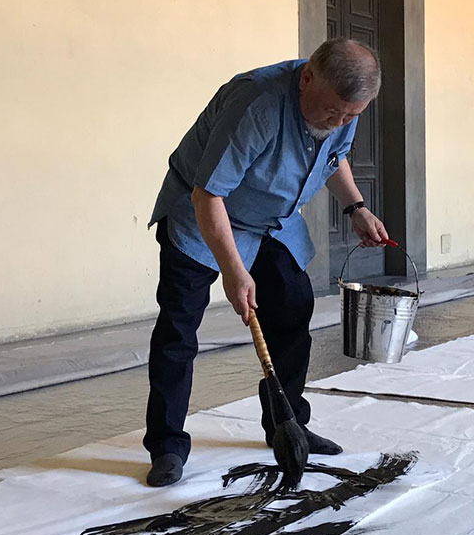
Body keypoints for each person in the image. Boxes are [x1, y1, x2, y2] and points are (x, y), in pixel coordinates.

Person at [144, 38, 389, 487]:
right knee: (178, 328)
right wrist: (235, 272)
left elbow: (332, 157)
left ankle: (286, 423)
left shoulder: (341, 109)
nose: (338, 121)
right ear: (308, 76)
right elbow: (208, 194)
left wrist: (356, 208)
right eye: (332, 111)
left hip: (271, 219)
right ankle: (166, 445)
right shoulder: (256, 103)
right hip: (203, 213)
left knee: (293, 307)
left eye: (350, 116)